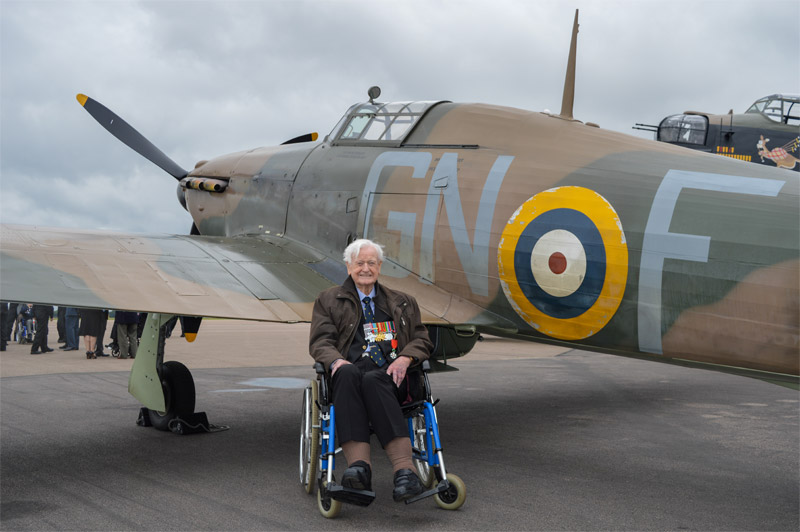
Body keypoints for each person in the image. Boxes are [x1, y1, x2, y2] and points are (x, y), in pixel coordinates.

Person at [309, 239, 433, 503]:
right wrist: (335, 362)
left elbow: (422, 339)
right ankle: (359, 469)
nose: (366, 268)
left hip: (392, 380)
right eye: (360, 263)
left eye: (372, 263)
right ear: (348, 266)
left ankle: (405, 472)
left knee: (377, 379)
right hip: (349, 379)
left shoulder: (403, 302)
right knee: (347, 373)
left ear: (379, 267)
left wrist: (405, 358)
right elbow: (321, 341)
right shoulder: (329, 300)